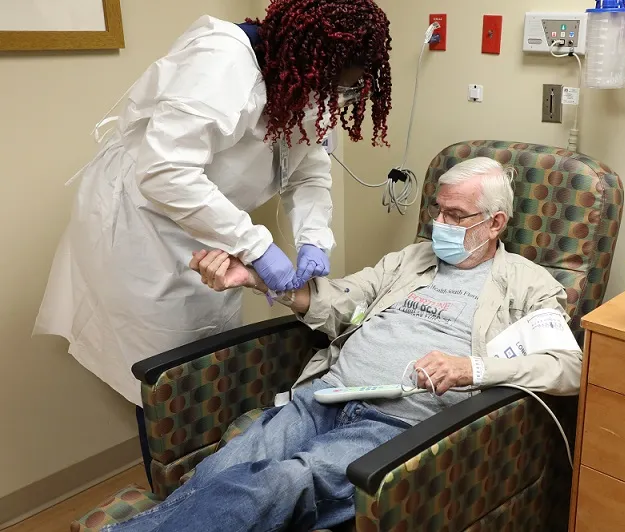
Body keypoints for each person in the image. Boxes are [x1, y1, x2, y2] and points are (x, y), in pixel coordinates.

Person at [106, 158, 583, 532]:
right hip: (325, 396)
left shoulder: (527, 283)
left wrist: (471, 368)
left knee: (283, 481)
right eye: (438, 209)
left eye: (455, 215)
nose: (439, 222)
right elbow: (337, 302)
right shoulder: (409, 260)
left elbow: (568, 368)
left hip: (395, 425)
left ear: (495, 223)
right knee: (223, 468)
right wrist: (252, 278)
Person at [33, 0, 393, 407]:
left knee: (209, 360)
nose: (336, 97)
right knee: (161, 374)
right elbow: (165, 172)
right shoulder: (222, 64)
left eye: (348, 88)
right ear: (309, 59)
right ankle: (170, 464)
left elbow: (308, 170)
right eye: (335, 85)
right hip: (144, 226)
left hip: (210, 228)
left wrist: (314, 236)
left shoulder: (305, 82)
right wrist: (256, 246)